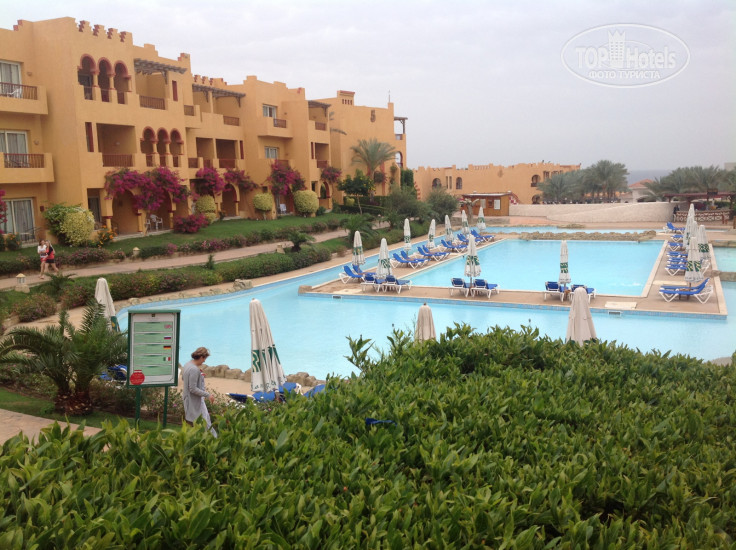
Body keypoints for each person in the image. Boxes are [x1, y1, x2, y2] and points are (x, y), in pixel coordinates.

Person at [181, 346, 217, 436]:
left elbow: (184, 378)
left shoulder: (187, 364)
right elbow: (192, 388)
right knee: (204, 423)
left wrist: (199, 375)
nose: (204, 361)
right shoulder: (194, 369)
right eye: (204, 358)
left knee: (200, 422)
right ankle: (213, 439)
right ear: (201, 357)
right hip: (194, 401)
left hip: (187, 399)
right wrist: (208, 395)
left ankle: (211, 437)